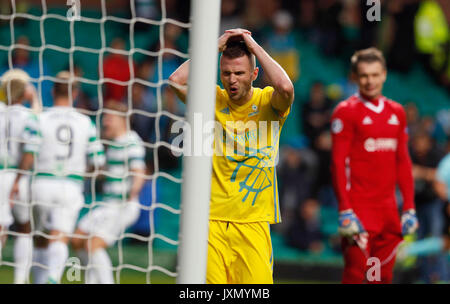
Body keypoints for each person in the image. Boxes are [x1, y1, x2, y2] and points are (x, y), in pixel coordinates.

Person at [169, 28, 294, 283]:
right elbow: (175, 80)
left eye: (239, 73)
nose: (232, 80)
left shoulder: (269, 103)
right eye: (226, 73)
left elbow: (284, 85)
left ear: (254, 74)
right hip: (209, 222)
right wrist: (215, 46)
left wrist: (253, 46)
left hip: (253, 224)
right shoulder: (211, 99)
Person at [330, 47, 418, 284]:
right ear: (356, 77)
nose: (370, 81)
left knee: (382, 278)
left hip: (388, 214)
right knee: (357, 276)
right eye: (364, 75)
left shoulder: (397, 112)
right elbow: (338, 162)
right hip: (358, 213)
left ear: (384, 75)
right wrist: (345, 210)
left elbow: (403, 161)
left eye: (375, 74)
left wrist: (409, 207)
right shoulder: (345, 112)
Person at [10, 71, 105, 283]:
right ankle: (53, 277)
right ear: (76, 92)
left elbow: (29, 154)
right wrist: (85, 175)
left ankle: (39, 280)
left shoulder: (39, 118)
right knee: (60, 236)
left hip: (41, 183)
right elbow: (98, 162)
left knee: (40, 239)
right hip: (70, 184)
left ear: (53, 91)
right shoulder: (85, 122)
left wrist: (17, 180)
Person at [72, 102, 146, 284]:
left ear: (122, 120)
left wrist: (132, 193)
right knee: (77, 238)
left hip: (122, 205)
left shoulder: (131, 141)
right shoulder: (113, 143)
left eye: (109, 118)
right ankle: (92, 279)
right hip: (107, 204)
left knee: (93, 244)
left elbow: (139, 171)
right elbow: (105, 171)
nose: (105, 122)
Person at [0, 69, 39, 284]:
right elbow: (30, 150)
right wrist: (18, 180)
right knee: (25, 227)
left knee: (2, 226)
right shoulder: (29, 116)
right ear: (24, 92)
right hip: (17, 175)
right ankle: (20, 279)